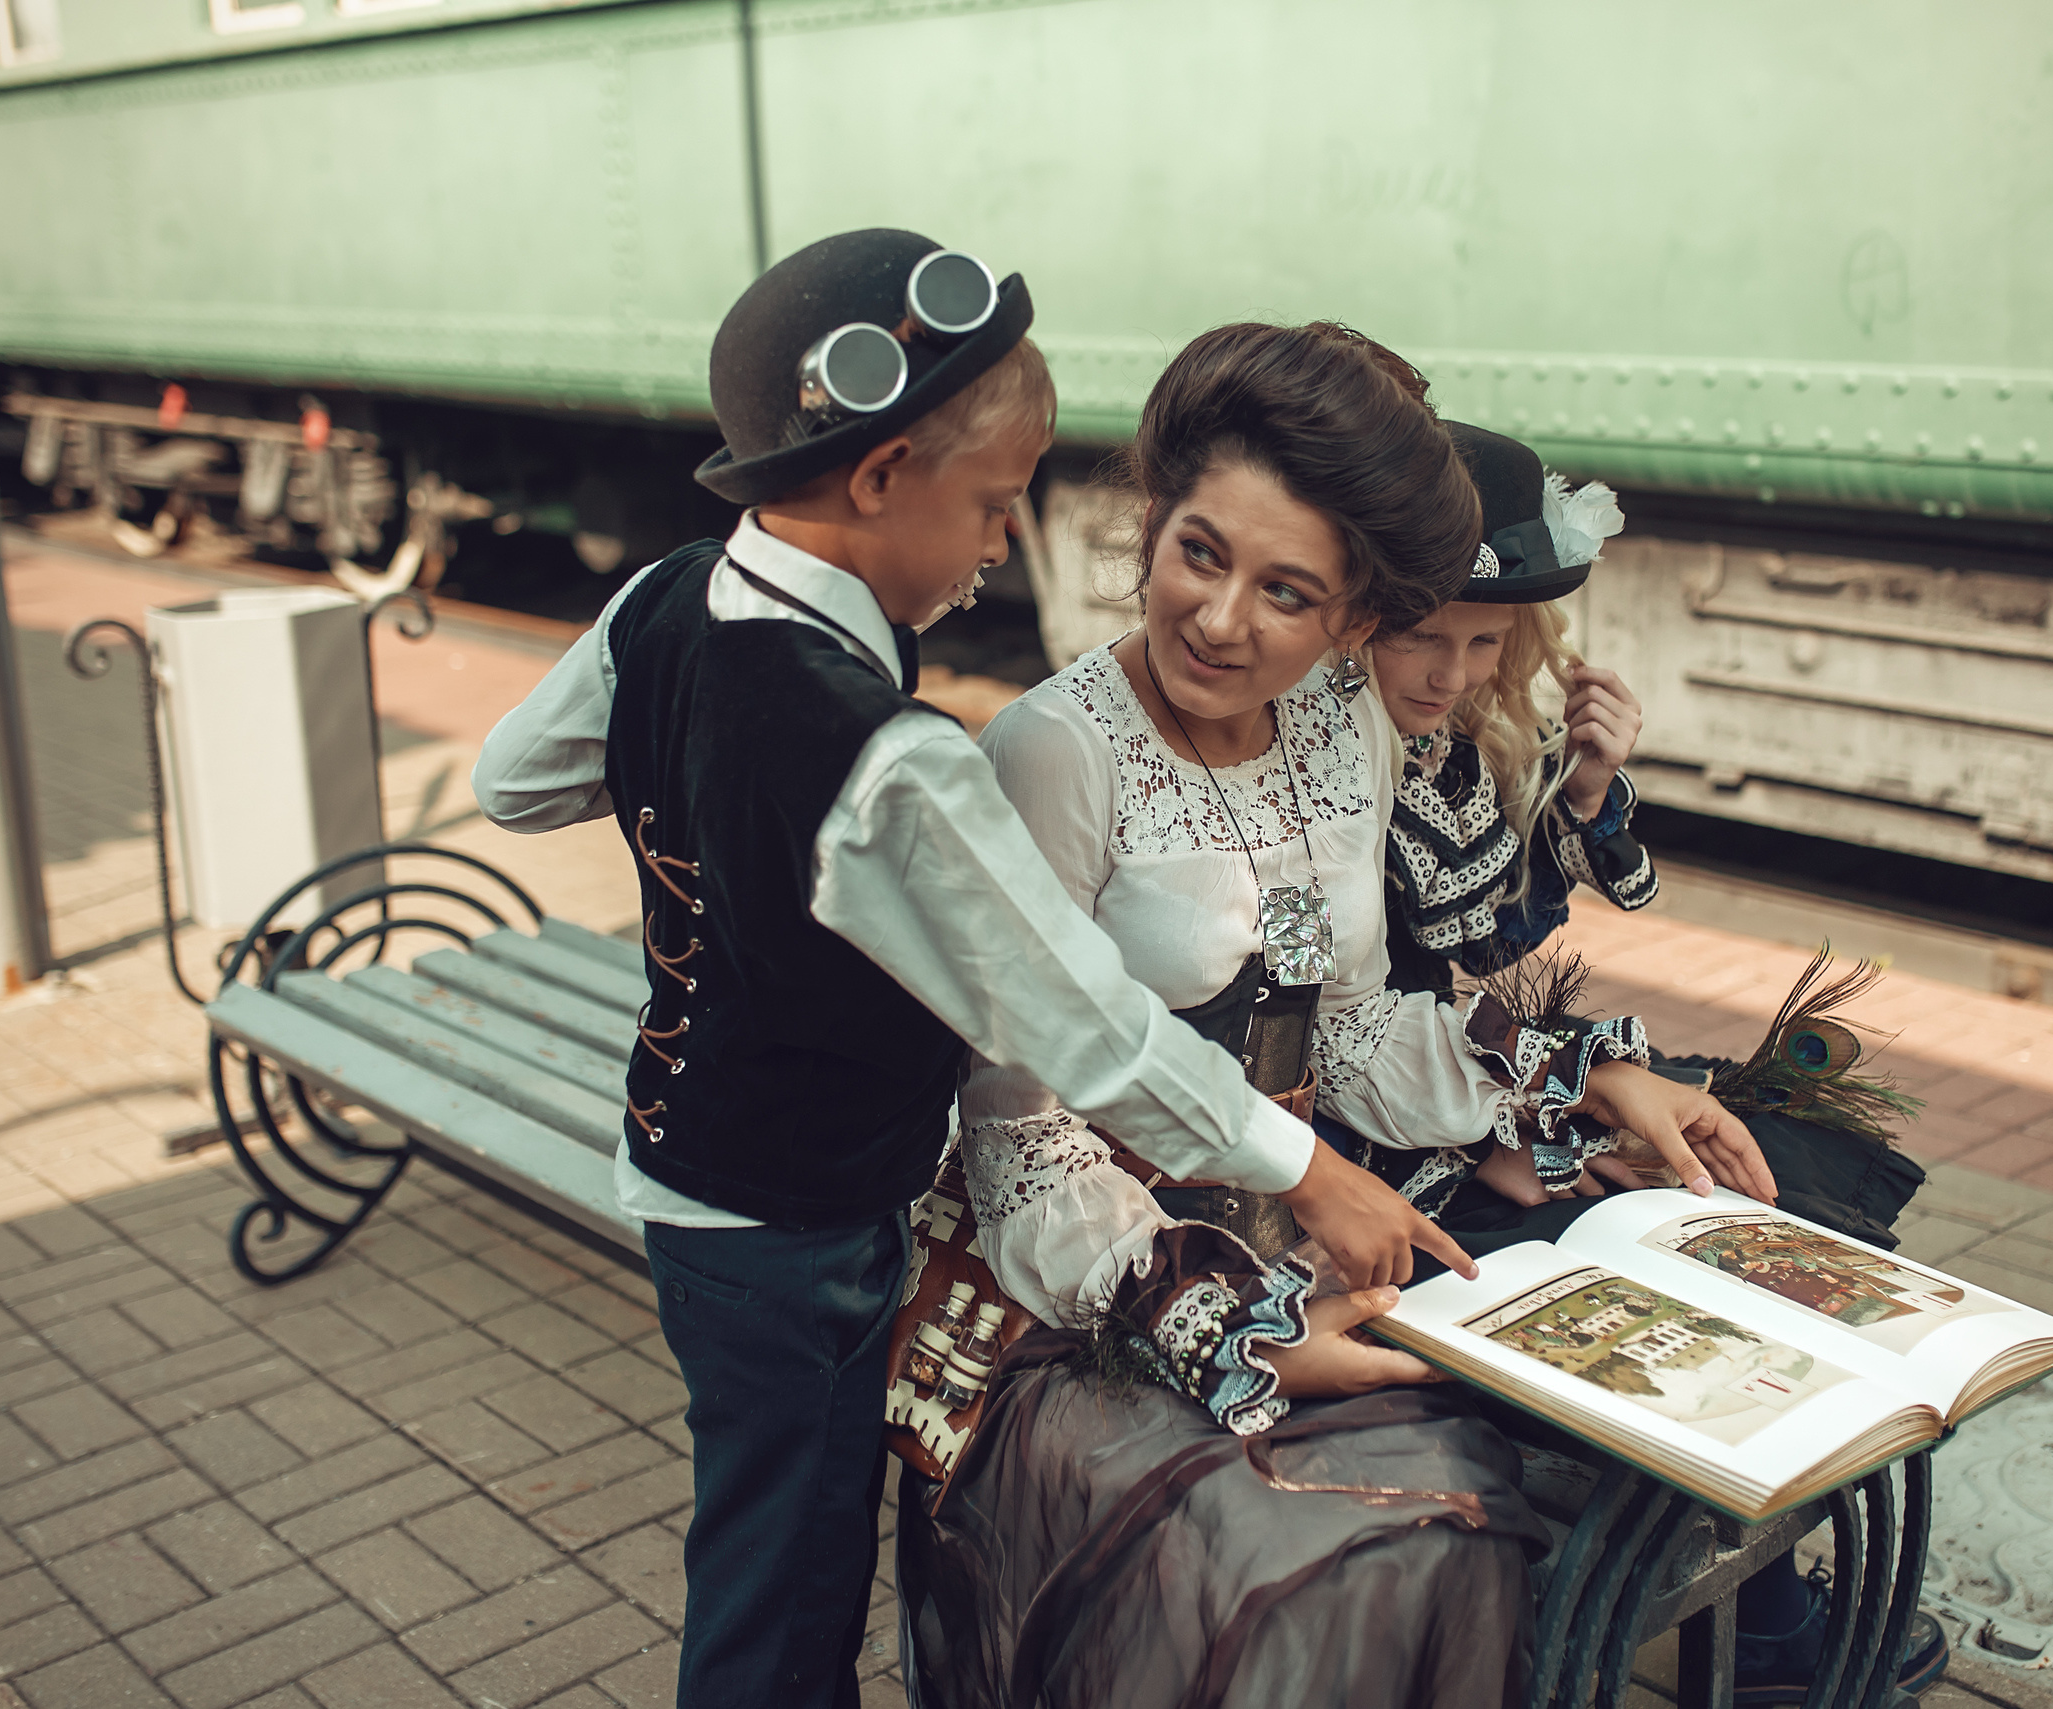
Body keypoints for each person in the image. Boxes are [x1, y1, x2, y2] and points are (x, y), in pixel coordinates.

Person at [468, 232, 1461, 1709]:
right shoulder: (904, 757)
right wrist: (1306, 1170)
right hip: (809, 1215)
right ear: (883, 479)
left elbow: (512, 782)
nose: (1001, 546)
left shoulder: (670, 599)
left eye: (1291, 594)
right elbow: (1075, 1022)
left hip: (689, 1164)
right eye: (994, 505)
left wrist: (708, 790)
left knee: (776, 1545)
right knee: (785, 1592)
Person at [899, 321, 1776, 1708]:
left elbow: (1338, 1023)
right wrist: (1230, 1327)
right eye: (1199, 553)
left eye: (1288, 592)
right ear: (1152, 522)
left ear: (1351, 619)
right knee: (1358, 1549)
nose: (1221, 619)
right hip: (1089, 1290)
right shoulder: (1056, 753)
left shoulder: (1335, 728)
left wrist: (1589, 1080)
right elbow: (1023, 1140)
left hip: (1296, 1240)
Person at [1355, 422, 1950, 1703]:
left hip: (1460, 1094)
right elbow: (1357, 1029)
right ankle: (1765, 1629)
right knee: (1670, 1275)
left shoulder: (1445, 742)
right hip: (1369, 1154)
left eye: (1485, 643)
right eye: (1423, 636)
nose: (1453, 673)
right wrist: (1535, 1120)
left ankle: (1769, 1622)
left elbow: (1481, 946)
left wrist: (1583, 790)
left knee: (1750, 1189)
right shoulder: (1317, 762)